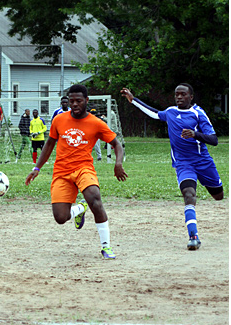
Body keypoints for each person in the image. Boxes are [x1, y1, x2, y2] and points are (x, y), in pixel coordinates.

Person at [25, 84, 128, 259]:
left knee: (95, 199)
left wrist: (118, 163)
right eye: (71, 101)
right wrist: (37, 168)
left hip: (83, 169)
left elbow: (117, 144)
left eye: (78, 101)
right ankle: (80, 209)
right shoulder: (59, 120)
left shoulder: (96, 123)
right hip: (62, 172)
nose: (74, 104)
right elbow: (49, 143)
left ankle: (106, 247)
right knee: (60, 218)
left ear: (86, 101)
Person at [121, 84, 223, 250]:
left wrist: (195, 134)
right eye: (177, 95)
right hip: (183, 164)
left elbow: (214, 140)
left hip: (203, 162)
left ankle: (208, 189)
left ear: (191, 97)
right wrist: (133, 100)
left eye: (183, 94)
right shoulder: (170, 112)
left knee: (218, 196)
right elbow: (153, 113)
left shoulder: (198, 114)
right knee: (189, 194)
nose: (179, 97)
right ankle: (193, 236)